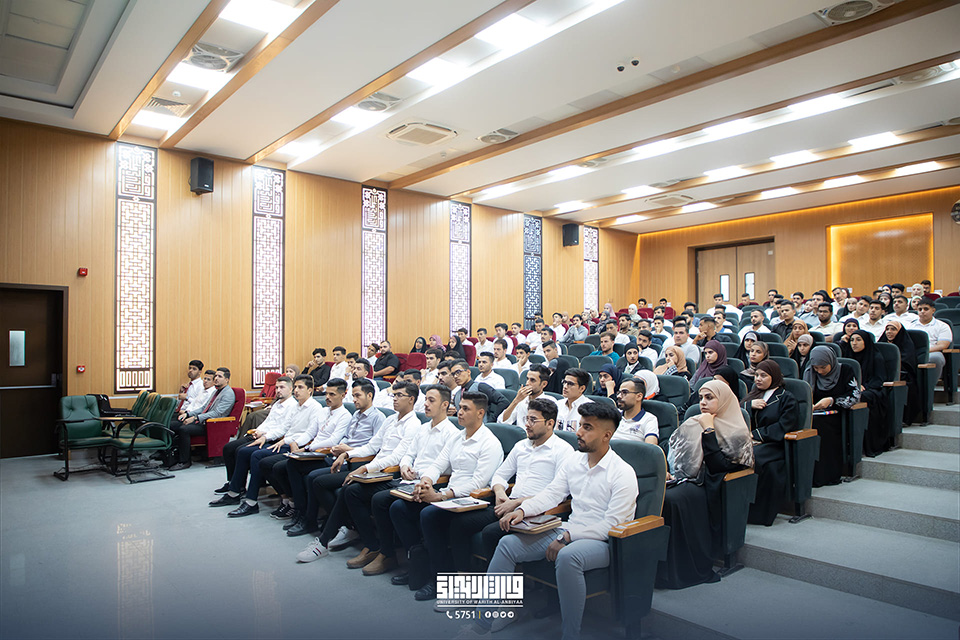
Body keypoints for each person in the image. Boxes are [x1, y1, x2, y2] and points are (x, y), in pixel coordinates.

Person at [487, 402, 638, 640]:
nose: (578, 432)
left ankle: (570, 635)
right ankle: (485, 619)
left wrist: (567, 537)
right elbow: (552, 493)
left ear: (606, 435)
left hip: (606, 541)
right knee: (507, 545)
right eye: (580, 425)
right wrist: (523, 511)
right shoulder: (575, 461)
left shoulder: (623, 472)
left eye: (587, 428)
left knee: (569, 557)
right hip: (569, 528)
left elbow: (612, 524)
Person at [390, 391, 504, 600]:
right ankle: (419, 563)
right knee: (399, 508)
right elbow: (438, 464)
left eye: (465, 409)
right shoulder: (457, 437)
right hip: (449, 495)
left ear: (480, 413)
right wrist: (426, 482)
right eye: (459, 408)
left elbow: (478, 484)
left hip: (474, 499)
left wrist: (442, 495)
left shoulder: (490, 443)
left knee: (429, 515)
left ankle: (439, 578)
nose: (459, 412)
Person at [444, 398, 573, 578]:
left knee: (491, 532)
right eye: (527, 419)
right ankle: (464, 577)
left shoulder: (563, 450)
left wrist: (518, 503)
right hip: (508, 504)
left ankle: (501, 586)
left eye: (533, 420)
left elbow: (557, 494)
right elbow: (500, 475)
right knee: (460, 523)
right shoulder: (521, 446)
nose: (527, 424)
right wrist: (499, 492)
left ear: (550, 423)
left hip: (538, 511)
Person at [293, 381, 421, 558]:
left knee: (349, 489)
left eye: (399, 395)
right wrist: (347, 454)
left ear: (411, 399)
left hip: (389, 472)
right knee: (344, 488)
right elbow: (371, 446)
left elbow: (397, 457)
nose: (395, 399)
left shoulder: (413, 425)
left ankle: (328, 541)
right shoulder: (391, 420)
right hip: (374, 468)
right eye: (394, 395)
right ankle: (355, 538)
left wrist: (365, 468)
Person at [352, 386, 459, 577]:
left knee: (387, 503)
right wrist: (404, 466)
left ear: (445, 405)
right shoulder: (424, 428)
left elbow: (445, 467)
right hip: (408, 479)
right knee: (360, 493)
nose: (425, 404)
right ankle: (384, 551)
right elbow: (408, 454)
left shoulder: (451, 433)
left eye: (431, 400)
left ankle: (402, 556)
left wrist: (420, 475)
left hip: (432, 484)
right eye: (425, 399)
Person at [657, 380, 753, 589]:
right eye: (701, 398)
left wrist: (709, 430)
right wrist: (667, 470)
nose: (702, 402)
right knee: (657, 494)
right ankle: (658, 570)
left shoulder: (737, 432)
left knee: (672, 500)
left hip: (712, 485)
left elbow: (719, 467)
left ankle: (681, 571)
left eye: (709, 398)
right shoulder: (694, 422)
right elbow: (673, 452)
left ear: (724, 400)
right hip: (685, 479)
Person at [220, 375, 321, 516]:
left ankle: (251, 501)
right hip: (286, 441)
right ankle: (237, 492)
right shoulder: (297, 406)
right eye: (296, 387)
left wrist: (288, 441)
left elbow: (310, 433)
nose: (296, 391)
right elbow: (285, 427)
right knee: (244, 451)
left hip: (297, 445)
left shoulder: (315, 407)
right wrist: (265, 436)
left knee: (257, 456)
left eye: (300, 387)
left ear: (310, 390)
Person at [213, 375, 297, 495]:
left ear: (291, 389)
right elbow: (267, 422)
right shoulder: (277, 404)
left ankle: (237, 488)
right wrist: (258, 431)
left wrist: (265, 435)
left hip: (272, 438)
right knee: (229, 447)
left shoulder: (292, 406)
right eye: (277, 387)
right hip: (262, 434)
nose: (278, 390)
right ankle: (233, 483)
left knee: (241, 451)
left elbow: (283, 429)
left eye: (282, 387)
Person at [742, 360, 799, 526]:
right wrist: (748, 405)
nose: (758, 379)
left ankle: (757, 514)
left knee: (755, 458)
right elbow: (736, 412)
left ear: (773, 377)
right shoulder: (753, 394)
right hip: (750, 440)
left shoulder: (786, 397)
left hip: (775, 444)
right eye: (756, 375)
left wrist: (756, 435)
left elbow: (784, 425)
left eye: (763, 376)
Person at [806, 347, 861, 487]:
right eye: (816, 368)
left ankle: (825, 475)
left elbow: (854, 396)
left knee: (819, 425)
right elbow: (804, 396)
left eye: (823, 367)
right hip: (816, 413)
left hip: (839, 415)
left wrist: (831, 401)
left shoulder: (845, 370)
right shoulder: (810, 372)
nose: (819, 371)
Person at [167, 367, 236, 470]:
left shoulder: (228, 394)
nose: (216, 378)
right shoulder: (216, 391)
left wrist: (195, 418)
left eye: (219, 376)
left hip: (214, 425)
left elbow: (217, 413)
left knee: (184, 429)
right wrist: (188, 414)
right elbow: (204, 408)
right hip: (205, 421)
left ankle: (184, 461)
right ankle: (170, 456)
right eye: (216, 376)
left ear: (227, 380)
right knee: (173, 424)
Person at [848, 330, 890, 457]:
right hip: (854, 388)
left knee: (866, 397)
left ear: (865, 341)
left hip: (873, 389)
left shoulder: (876, 357)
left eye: (858, 340)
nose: (854, 343)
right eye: (852, 340)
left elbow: (879, 379)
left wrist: (865, 386)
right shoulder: (848, 357)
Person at [914, 298, 953, 388]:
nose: (922, 312)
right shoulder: (910, 325)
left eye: (926, 309)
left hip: (932, 352)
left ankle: (929, 388)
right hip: (913, 352)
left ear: (933, 310)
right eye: (920, 309)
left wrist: (925, 351)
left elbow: (943, 345)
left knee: (936, 358)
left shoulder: (942, 326)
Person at [613, 377, 658, 444]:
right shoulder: (614, 414)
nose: (619, 396)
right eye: (619, 392)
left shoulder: (649, 419)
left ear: (639, 396)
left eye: (624, 392)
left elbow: (651, 447)